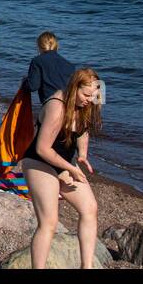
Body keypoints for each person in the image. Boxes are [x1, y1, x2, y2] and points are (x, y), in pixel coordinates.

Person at [21, 68, 102, 269]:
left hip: (63, 163)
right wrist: (71, 169)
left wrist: (82, 155)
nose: (89, 100)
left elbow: (83, 130)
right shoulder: (57, 107)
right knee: (49, 221)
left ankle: (87, 266)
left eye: (93, 96)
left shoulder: (87, 102)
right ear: (74, 88)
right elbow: (42, 148)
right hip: (39, 162)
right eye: (86, 95)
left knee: (90, 208)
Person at [27, 31, 77, 108]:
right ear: (57, 46)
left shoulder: (37, 61)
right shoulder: (70, 65)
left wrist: (25, 83)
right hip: (69, 107)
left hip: (51, 106)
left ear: (39, 46)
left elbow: (33, 87)